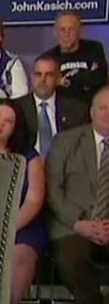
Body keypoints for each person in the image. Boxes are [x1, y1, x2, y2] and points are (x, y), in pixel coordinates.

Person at [0, 100, 46, 304]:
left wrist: (7, 228)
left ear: (16, 129)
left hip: (20, 226)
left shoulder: (28, 157)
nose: (0, 123)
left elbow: (34, 199)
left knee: (18, 259)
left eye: (9, 121)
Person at [46, 84, 109, 304]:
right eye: (102, 108)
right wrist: (78, 223)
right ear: (91, 111)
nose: (107, 114)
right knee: (71, 259)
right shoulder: (66, 141)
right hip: (73, 226)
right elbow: (53, 189)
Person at [15, 54, 90, 158]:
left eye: (49, 75)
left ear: (58, 78)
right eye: (38, 74)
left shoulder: (77, 110)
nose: (42, 79)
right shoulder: (16, 108)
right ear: (31, 77)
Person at [44, 10, 108, 105]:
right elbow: (46, 87)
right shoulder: (48, 58)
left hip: (92, 106)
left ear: (79, 30)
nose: (66, 34)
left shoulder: (94, 48)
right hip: (64, 109)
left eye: (71, 29)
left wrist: (63, 81)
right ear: (55, 32)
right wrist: (86, 76)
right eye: (62, 29)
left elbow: (99, 78)